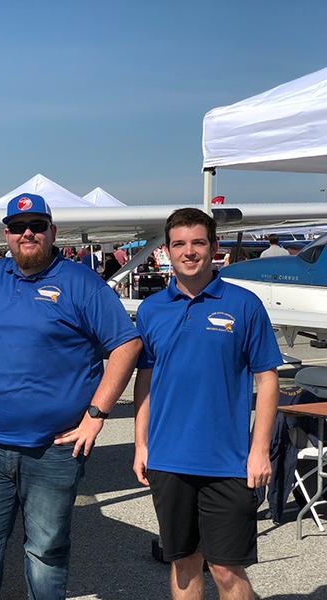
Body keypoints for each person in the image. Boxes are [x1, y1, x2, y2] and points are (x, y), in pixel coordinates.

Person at [0, 193, 142, 600]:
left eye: (36, 226)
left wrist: (97, 415)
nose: (26, 233)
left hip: (53, 449)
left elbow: (126, 345)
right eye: (16, 227)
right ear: (7, 235)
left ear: (52, 232)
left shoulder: (81, 282)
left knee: (46, 552)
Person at [133, 208, 281, 600]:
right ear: (166, 251)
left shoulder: (244, 305)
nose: (189, 252)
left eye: (198, 242)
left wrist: (260, 450)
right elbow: (145, 381)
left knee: (226, 570)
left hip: (228, 461)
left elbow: (268, 378)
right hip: (168, 460)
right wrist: (141, 444)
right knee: (184, 565)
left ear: (215, 248)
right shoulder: (151, 310)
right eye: (179, 244)